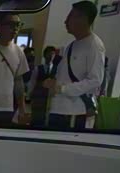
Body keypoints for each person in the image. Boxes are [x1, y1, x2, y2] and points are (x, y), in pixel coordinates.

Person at [44, 1, 106, 130]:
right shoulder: (71, 45)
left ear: (83, 19)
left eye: (70, 17)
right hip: (58, 109)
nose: (65, 21)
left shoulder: (94, 46)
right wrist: (53, 83)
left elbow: (95, 80)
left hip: (75, 112)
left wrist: (63, 89)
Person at [29, 46, 59, 127]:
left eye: (53, 55)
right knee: (37, 119)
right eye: (49, 54)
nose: (51, 57)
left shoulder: (58, 70)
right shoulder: (38, 68)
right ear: (45, 55)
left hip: (51, 98)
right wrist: (30, 94)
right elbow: (32, 82)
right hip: (39, 98)